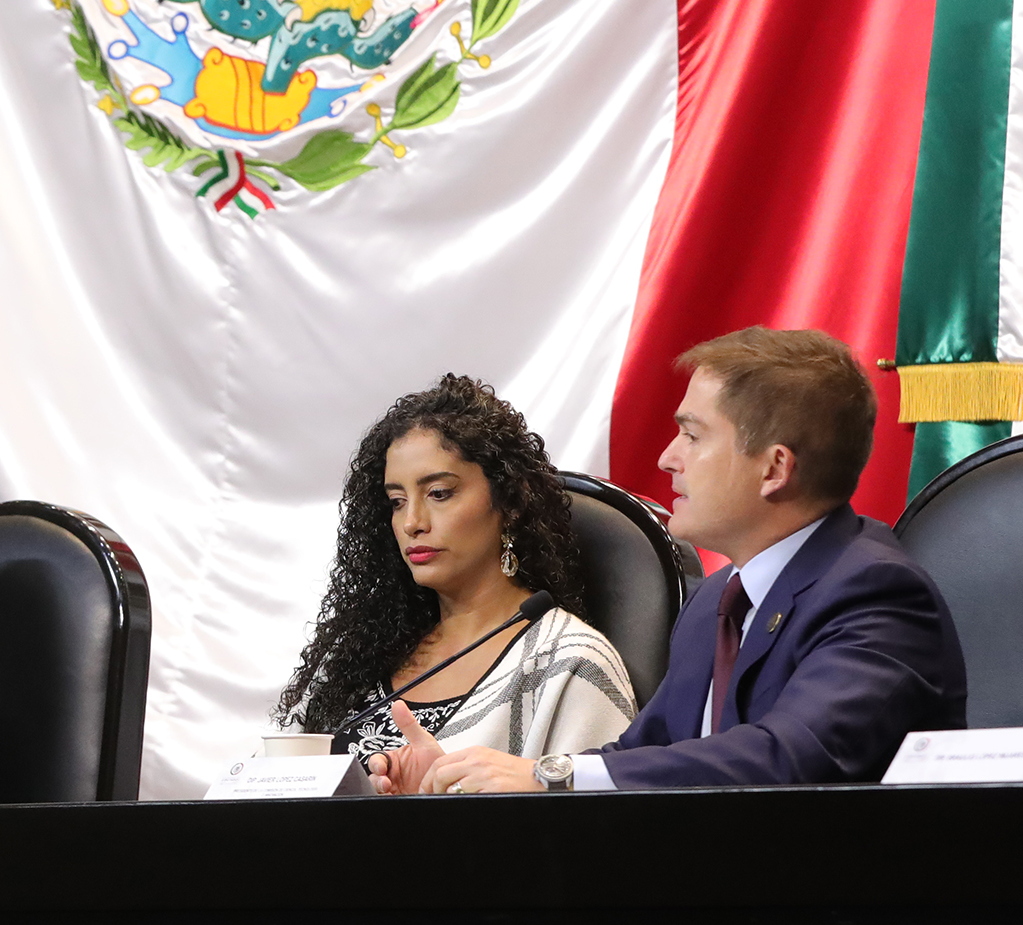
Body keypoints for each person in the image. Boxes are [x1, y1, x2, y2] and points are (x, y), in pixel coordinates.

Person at [379, 327, 966, 793]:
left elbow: (789, 758)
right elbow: (641, 757)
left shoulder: (875, 593)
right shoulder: (718, 600)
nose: (667, 458)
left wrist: (547, 775)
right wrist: (457, 783)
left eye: (692, 435)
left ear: (774, 468)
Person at [279, 375, 636, 764]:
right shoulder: (359, 656)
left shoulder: (570, 663)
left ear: (510, 502)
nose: (412, 522)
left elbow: (601, 801)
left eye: (438, 494)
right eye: (397, 501)